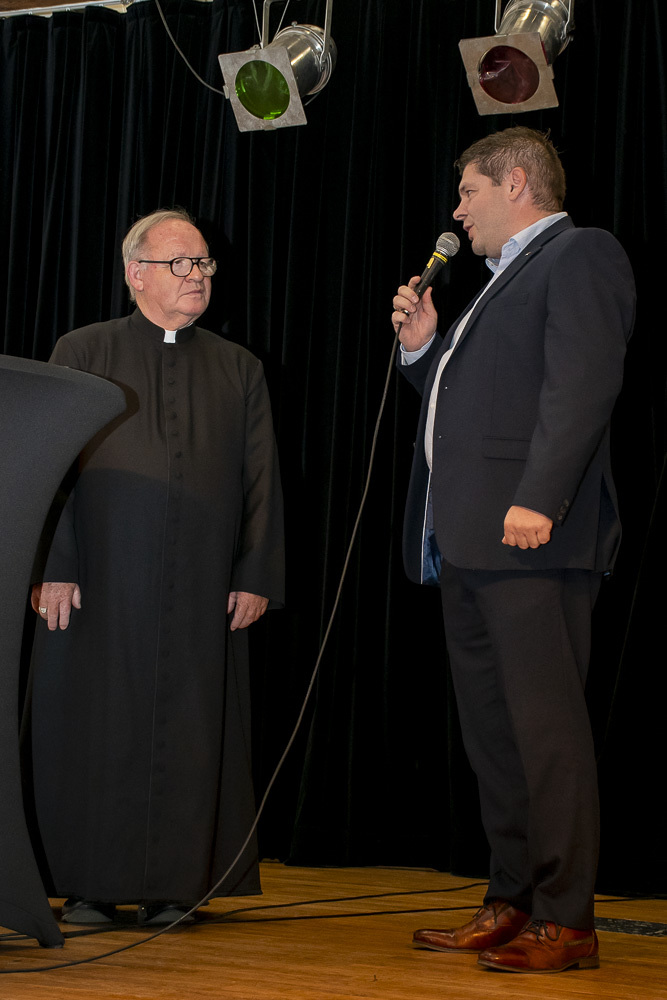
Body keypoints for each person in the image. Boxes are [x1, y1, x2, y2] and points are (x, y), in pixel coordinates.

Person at [392, 128, 635, 974]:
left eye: (468, 191)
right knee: (494, 737)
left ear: (517, 183)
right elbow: (471, 405)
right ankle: (512, 899)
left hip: (531, 538)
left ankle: (566, 920)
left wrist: (539, 495)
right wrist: (423, 348)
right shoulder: (496, 283)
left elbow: (582, 384)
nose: (457, 211)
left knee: (545, 736)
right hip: (468, 543)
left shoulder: (579, 255)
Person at [29, 208, 284, 926]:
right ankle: (91, 885)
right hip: (100, 581)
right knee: (97, 725)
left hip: (202, 585)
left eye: (203, 263)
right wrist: (54, 564)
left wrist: (255, 573)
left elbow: (261, 478)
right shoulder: (82, 350)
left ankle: (178, 887)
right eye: (180, 263)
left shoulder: (238, 368)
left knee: (192, 729)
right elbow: (50, 467)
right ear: (136, 273)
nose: (197, 276)